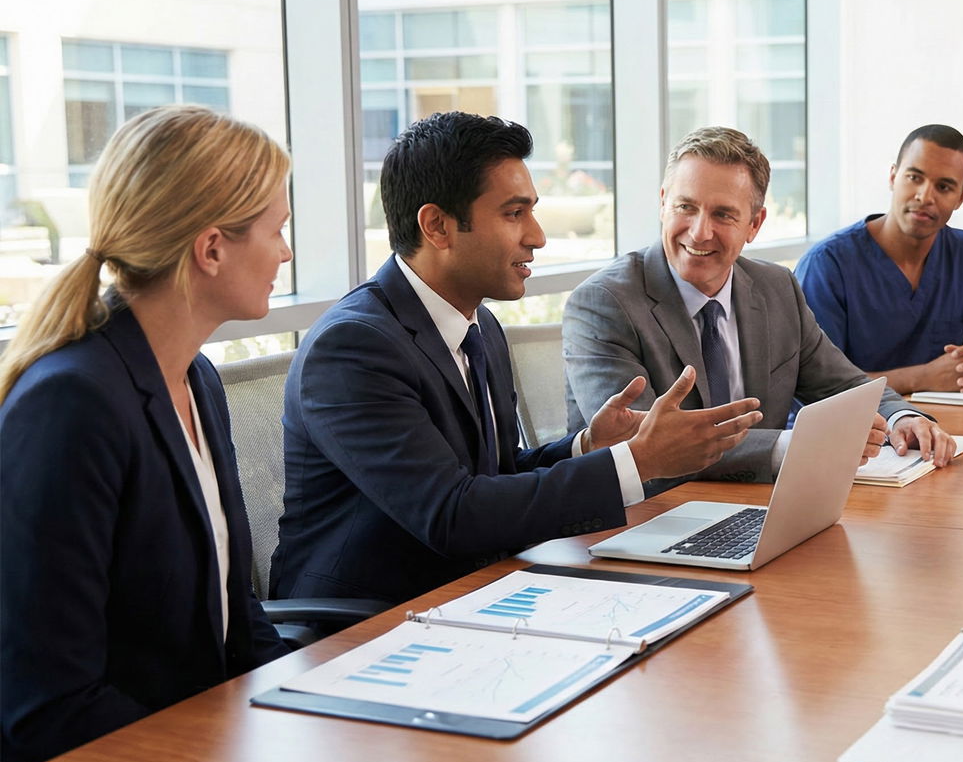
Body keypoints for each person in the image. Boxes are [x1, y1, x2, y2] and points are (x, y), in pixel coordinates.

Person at [272, 113, 763, 605]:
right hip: (365, 625)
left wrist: (589, 445)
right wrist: (638, 460)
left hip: (478, 594)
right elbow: (451, 514)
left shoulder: (478, 325)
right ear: (437, 226)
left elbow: (493, 477)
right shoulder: (355, 346)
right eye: (514, 214)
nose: (537, 236)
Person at [0, 106, 292, 762]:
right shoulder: (71, 404)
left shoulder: (196, 379)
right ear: (211, 247)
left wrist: (318, 710)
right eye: (277, 230)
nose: (285, 252)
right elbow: (49, 704)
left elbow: (237, 619)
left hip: (203, 758)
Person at [563, 126, 954, 484]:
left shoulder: (775, 286)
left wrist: (902, 417)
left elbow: (845, 385)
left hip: (756, 506)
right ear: (663, 203)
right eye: (685, 207)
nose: (700, 232)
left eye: (723, 214)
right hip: (640, 518)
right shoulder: (604, 303)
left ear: (755, 224)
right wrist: (789, 447)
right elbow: (647, 444)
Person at [794, 124, 963, 394]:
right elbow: (817, 384)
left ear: (961, 197)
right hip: (856, 430)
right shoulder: (828, 264)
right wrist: (922, 378)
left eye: (944, 186)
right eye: (914, 177)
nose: (925, 196)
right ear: (892, 176)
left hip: (945, 424)